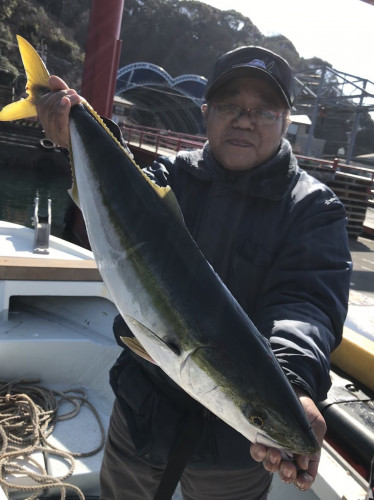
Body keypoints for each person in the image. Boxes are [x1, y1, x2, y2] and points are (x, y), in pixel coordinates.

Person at [37, 46, 352, 500]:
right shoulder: (170, 176)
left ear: (287, 121)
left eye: (263, 110)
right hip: (142, 415)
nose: (244, 119)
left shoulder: (313, 210)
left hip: (236, 453)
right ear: (205, 113)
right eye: (229, 106)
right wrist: (79, 135)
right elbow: (114, 211)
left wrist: (293, 383)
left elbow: (306, 306)